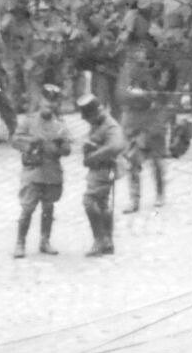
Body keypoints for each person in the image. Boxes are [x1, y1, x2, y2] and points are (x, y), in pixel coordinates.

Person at [17, 91, 67, 254]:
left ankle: (45, 241)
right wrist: (31, 142)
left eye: (52, 106)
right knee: (28, 208)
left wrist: (60, 145)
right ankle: (20, 243)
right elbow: (15, 141)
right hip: (33, 170)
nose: (48, 109)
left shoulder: (59, 125)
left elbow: (67, 150)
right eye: (46, 105)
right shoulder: (29, 121)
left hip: (52, 172)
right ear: (40, 103)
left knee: (48, 207)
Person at [78, 95, 126, 254]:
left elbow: (116, 146)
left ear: (95, 112)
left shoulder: (110, 125)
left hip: (105, 169)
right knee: (103, 204)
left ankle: (99, 240)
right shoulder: (98, 124)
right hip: (98, 169)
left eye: (87, 116)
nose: (86, 120)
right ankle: (108, 241)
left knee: (89, 201)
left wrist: (93, 156)